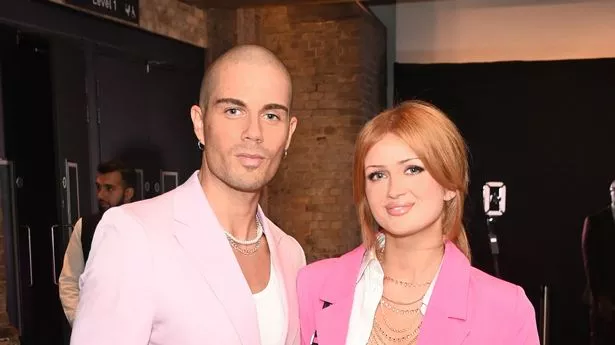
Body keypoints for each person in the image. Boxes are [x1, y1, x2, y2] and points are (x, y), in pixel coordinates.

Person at [70, 44, 305, 345]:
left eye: (271, 115)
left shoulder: (291, 253)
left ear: (289, 132)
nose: (254, 132)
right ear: (199, 123)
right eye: (234, 110)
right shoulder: (133, 235)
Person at [296, 101, 539, 345]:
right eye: (377, 175)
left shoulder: (506, 309)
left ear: (449, 185)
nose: (394, 190)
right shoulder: (313, 286)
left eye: (412, 169)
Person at [59, 159, 136, 325]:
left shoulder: (147, 225)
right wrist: (80, 323)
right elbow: (69, 281)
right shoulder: (85, 227)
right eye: (98, 187)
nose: (100, 195)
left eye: (109, 188)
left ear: (128, 193)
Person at [582, 180, 615, 345]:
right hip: (603, 301)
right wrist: (600, 297)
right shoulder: (596, 221)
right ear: (611, 193)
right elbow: (590, 262)